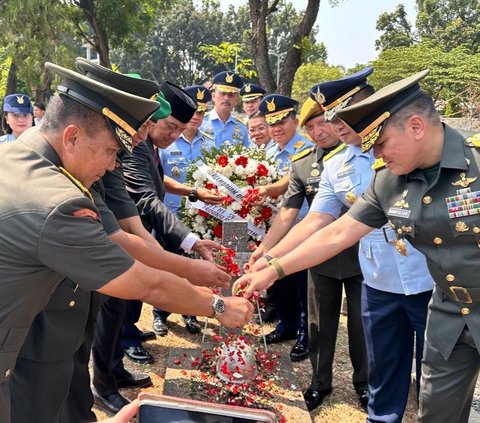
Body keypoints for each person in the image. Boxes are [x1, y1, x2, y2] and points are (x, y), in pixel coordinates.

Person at [0, 61, 253, 423]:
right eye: (112, 152)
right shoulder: (57, 201)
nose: (114, 165)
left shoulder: (19, 156)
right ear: (72, 136)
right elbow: (142, 280)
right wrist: (217, 307)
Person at [234, 70, 479, 422]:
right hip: (449, 316)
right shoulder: (386, 181)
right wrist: (273, 268)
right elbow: (336, 231)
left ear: (415, 126)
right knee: (436, 412)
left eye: (380, 143)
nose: (375, 153)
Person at [251, 91, 369, 410]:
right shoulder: (304, 165)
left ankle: (364, 383)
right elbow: (289, 212)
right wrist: (265, 252)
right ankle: (319, 382)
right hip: (319, 256)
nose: (319, 131)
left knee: (361, 324)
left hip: (364, 258)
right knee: (319, 323)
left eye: (323, 123)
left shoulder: (362, 154)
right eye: (311, 127)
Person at [122, 81, 224, 340]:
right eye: (170, 127)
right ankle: (119, 350)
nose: (174, 136)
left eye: (180, 130)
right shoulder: (136, 147)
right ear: (152, 118)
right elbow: (145, 197)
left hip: (142, 230)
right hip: (128, 232)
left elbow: (156, 180)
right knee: (118, 303)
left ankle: (127, 334)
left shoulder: (149, 145)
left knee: (132, 295)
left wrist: (193, 192)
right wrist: (192, 242)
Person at [256, 93, 313, 360]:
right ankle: (287, 324)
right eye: (271, 124)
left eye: (282, 121)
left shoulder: (306, 150)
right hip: (274, 228)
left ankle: (304, 332)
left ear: (295, 120)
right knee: (280, 281)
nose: (276, 129)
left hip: (303, 226)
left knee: (303, 283)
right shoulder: (268, 151)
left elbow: (291, 186)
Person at [161, 84, 219, 215]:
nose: (195, 117)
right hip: (170, 211)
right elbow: (156, 174)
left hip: (201, 212)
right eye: (193, 112)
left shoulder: (210, 143)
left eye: (200, 112)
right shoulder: (166, 140)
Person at [200, 71, 250, 148]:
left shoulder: (241, 127)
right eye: (222, 93)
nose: (226, 98)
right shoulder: (201, 122)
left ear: (236, 100)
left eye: (231, 95)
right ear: (213, 96)